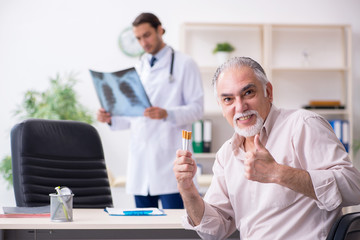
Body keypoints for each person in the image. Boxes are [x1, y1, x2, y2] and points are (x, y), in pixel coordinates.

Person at [173, 56, 360, 239]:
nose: (240, 107)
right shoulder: (226, 154)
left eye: (248, 93)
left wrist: (280, 174)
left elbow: (354, 187)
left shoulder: (302, 125)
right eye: (228, 99)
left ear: (268, 92)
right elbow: (215, 230)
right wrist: (187, 189)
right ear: (221, 107)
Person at [97, 13, 203, 209]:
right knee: (144, 230)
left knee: (176, 229)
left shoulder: (184, 63)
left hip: (170, 163)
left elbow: (197, 109)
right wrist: (110, 118)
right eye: (138, 38)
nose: (143, 42)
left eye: (147, 35)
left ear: (160, 30)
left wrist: (167, 113)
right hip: (141, 165)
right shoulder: (138, 68)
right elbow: (133, 116)